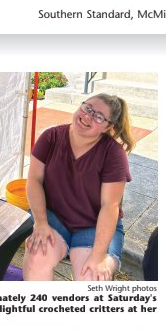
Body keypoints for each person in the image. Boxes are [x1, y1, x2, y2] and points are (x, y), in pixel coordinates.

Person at [23, 94, 134, 282]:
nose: (88, 116)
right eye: (87, 108)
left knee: (92, 276)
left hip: (94, 224)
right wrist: (40, 224)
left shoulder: (114, 154)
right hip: (54, 216)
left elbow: (110, 206)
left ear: (108, 127)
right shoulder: (51, 136)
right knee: (36, 257)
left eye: (99, 116)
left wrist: (99, 256)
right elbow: (33, 180)